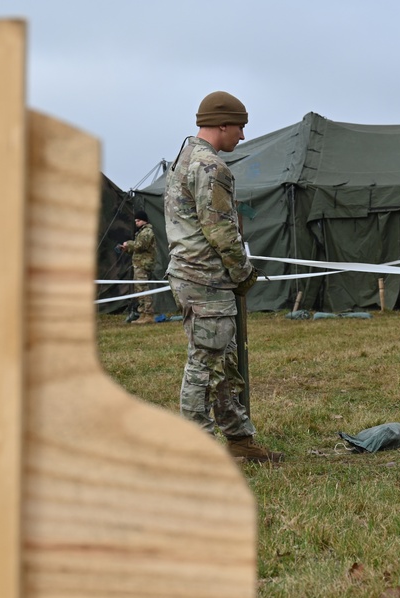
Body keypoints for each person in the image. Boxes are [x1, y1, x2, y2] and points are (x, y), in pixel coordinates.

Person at [164, 90, 283, 463]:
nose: (243, 136)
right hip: (206, 279)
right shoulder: (212, 168)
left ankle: (239, 441)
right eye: (241, 127)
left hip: (195, 277)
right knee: (204, 363)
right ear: (222, 125)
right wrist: (244, 273)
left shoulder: (184, 158)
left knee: (223, 362)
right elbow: (220, 233)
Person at [121, 210, 157, 324]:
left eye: (138, 220)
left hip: (143, 265)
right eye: (136, 220)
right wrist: (127, 249)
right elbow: (137, 250)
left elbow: (140, 246)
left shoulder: (147, 232)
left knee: (143, 289)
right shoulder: (141, 232)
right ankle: (143, 314)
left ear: (144, 220)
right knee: (139, 289)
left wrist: (129, 244)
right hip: (139, 264)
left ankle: (148, 314)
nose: (136, 223)